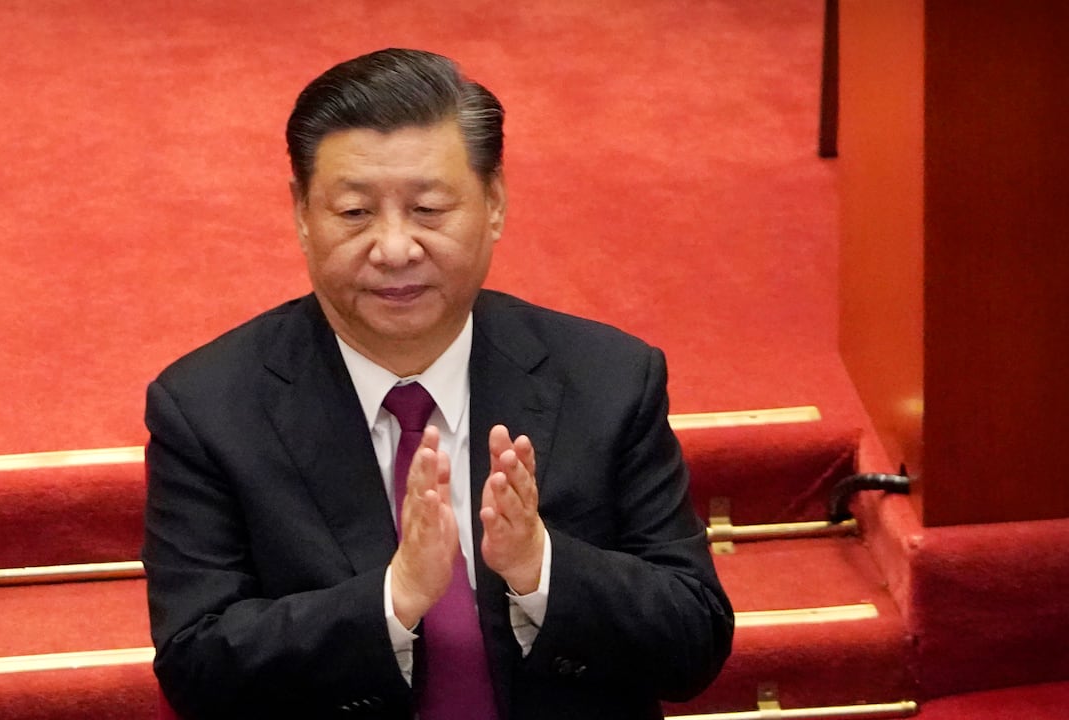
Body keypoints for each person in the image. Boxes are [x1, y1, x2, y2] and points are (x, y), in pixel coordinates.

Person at [142, 48, 733, 720]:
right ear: (301, 214)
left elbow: (695, 643)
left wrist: (541, 566)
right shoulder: (208, 409)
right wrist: (391, 600)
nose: (394, 249)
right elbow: (195, 667)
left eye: (427, 209)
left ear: (495, 205)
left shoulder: (607, 378)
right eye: (355, 213)